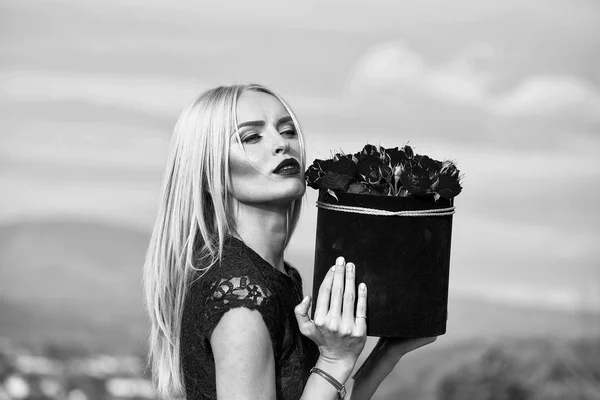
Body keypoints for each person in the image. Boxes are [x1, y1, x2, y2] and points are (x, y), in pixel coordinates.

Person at [143, 83, 436, 400]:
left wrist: (387, 352)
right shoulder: (239, 293)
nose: (281, 144)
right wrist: (335, 360)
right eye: (252, 137)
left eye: (287, 130)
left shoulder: (277, 277)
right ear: (208, 170)